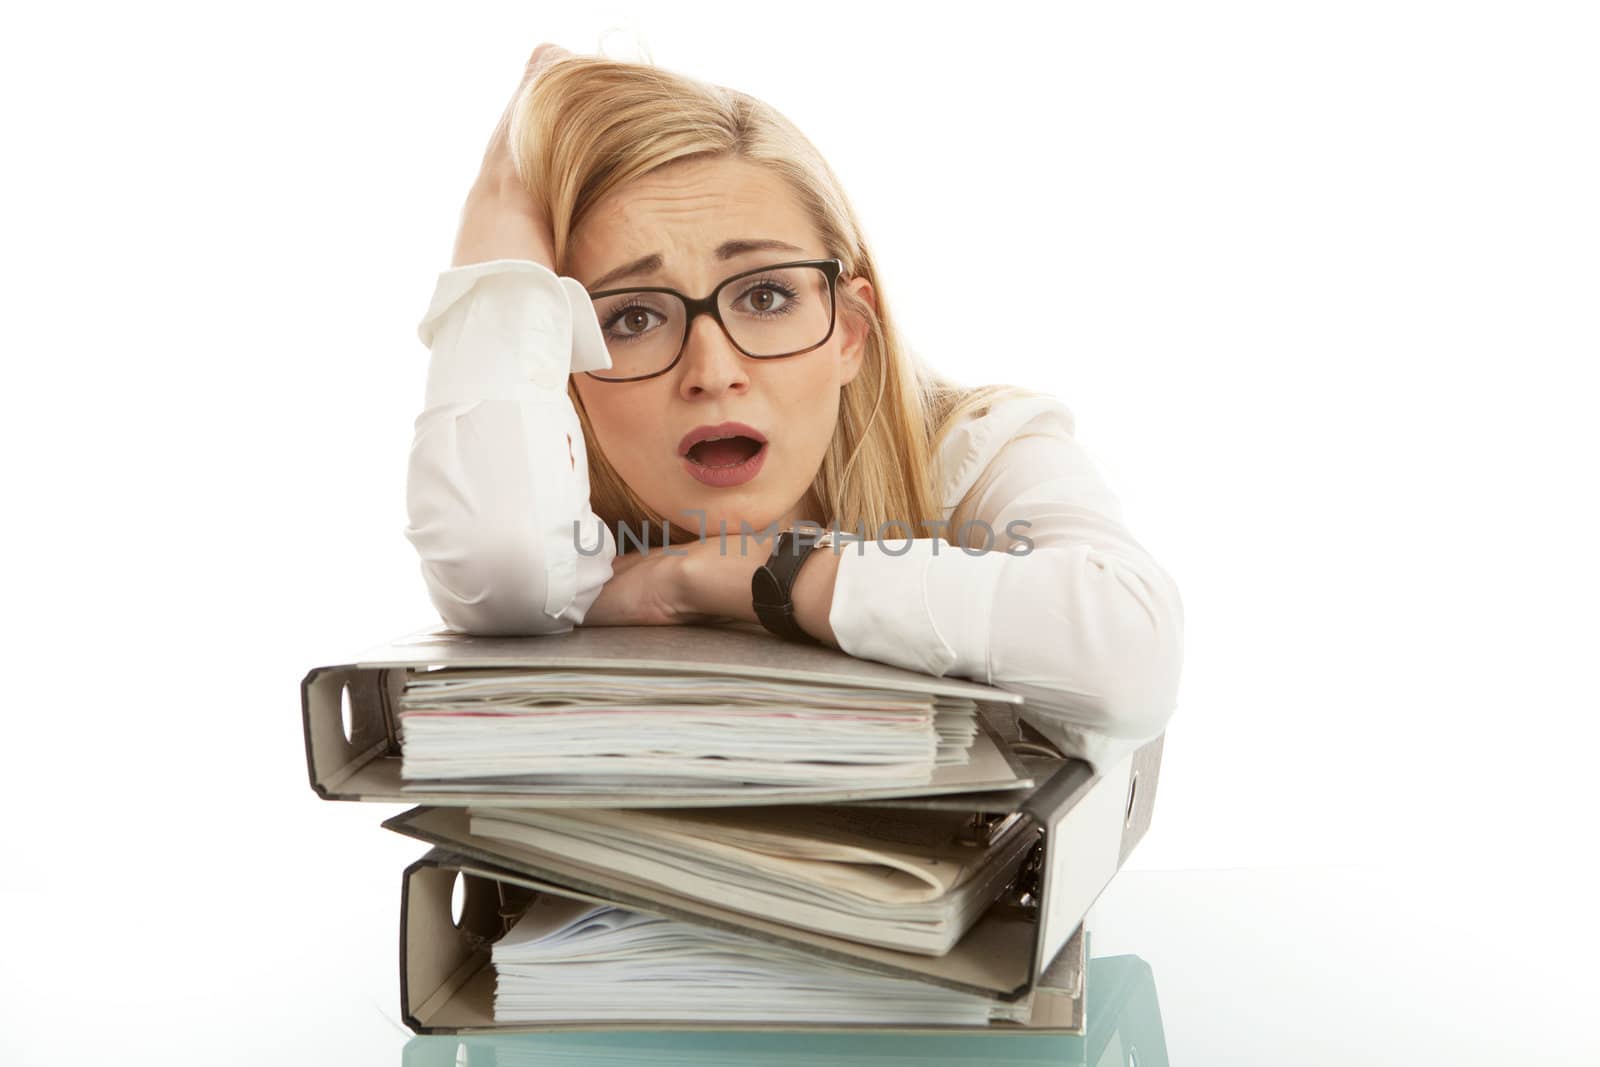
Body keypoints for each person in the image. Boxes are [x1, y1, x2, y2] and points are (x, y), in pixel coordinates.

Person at [404, 44, 1184, 770]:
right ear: (565, 372)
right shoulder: (557, 530)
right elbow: (498, 560)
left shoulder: (978, 451)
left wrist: (739, 575)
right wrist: (503, 213)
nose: (712, 372)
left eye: (766, 295)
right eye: (633, 317)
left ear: (849, 331)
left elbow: (1130, 657)